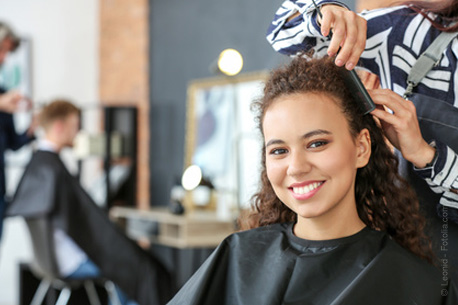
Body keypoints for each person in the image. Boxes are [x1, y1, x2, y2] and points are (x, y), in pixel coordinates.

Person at [167, 56, 457, 305]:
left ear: (362, 147)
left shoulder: (417, 284)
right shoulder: (238, 256)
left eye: (317, 143)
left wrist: (423, 153)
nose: (296, 167)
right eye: (279, 151)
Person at [266, 0, 458, 280]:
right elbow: (283, 34)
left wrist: (426, 156)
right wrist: (325, 12)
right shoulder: (405, 31)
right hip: (380, 258)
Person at [7, 100, 172, 305]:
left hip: (47, 262)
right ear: (59, 126)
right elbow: (83, 218)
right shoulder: (53, 169)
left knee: (133, 260)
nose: (78, 134)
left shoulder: (39, 164)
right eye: (75, 127)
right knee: (139, 266)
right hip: (69, 261)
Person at [0, 21, 35, 242]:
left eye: (6, 52)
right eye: (1, 49)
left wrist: (32, 129)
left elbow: (12, 143)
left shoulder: (5, 94)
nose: (3, 58)